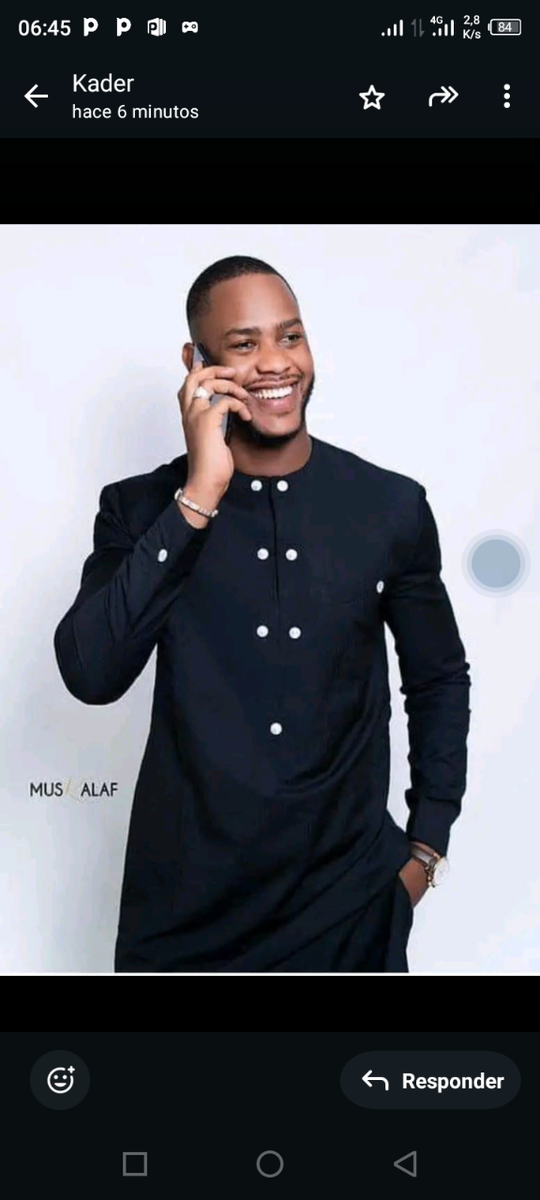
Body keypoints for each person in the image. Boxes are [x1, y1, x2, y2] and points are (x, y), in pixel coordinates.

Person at [54, 254, 471, 973]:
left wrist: (424, 852)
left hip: (350, 915)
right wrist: (199, 495)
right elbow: (91, 675)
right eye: (244, 344)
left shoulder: (390, 506)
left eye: (291, 336)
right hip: (184, 920)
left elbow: (438, 679)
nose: (277, 363)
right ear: (197, 364)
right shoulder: (139, 508)